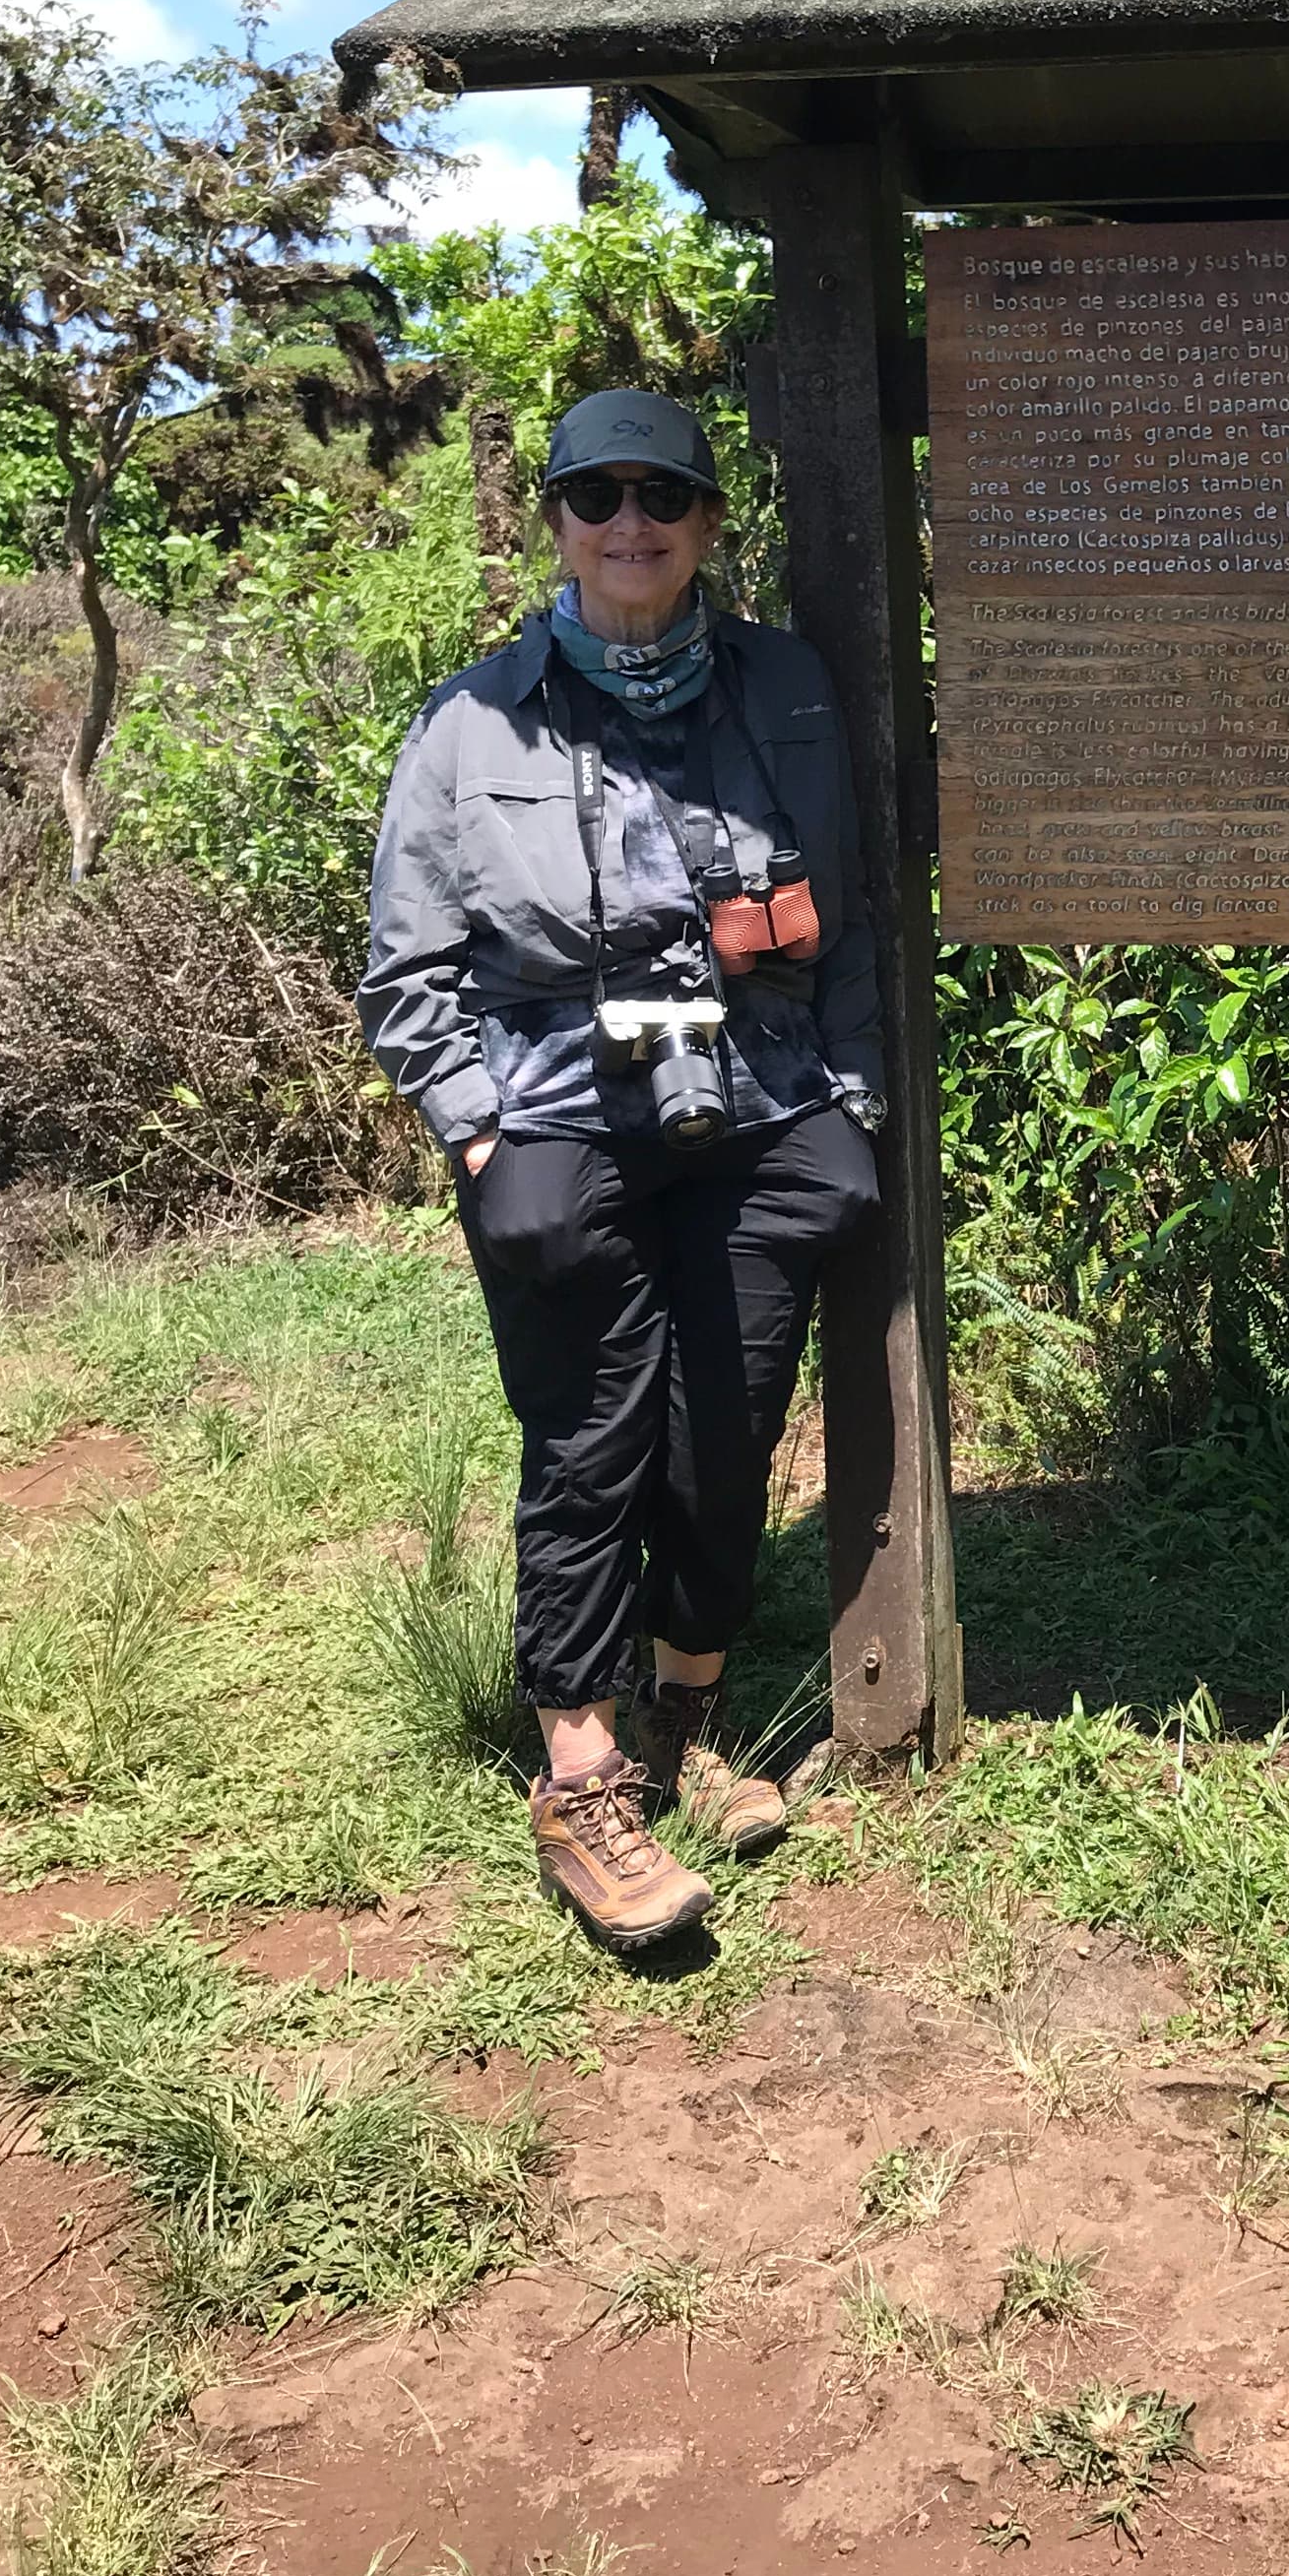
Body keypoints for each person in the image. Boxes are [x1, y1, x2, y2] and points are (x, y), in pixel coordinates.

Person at [358, 389, 883, 1950]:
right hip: (556, 1103)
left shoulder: (785, 685)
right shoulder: (472, 723)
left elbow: (844, 915)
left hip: (761, 1093)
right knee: (592, 1431)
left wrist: (848, 1093)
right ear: (559, 525)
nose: (631, 523)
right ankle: (580, 1773)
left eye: (664, 494)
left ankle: (689, 1721)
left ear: (710, 518)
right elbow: (405, 968)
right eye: (598, 497)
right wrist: (473, 1123)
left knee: (724, 1423)